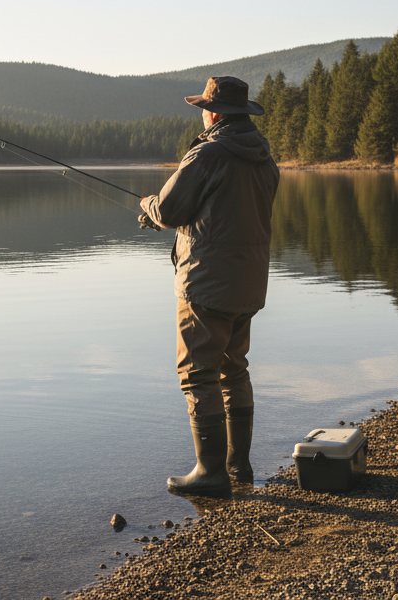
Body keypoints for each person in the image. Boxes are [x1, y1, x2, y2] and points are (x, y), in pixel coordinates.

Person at [138, 76, 279, 493]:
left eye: (204, 106)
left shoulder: (208, 153)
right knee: (234, 370)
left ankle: (210, 473)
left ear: (214, 112)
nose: (202, 112)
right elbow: (221, 211)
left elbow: (167, 208)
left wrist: (147, 206)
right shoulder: (263, 156)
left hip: (206, 284)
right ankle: (240, 467)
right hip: (249, 282)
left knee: (198, 374)